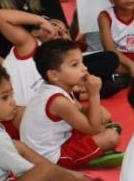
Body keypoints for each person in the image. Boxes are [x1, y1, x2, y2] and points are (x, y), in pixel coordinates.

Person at [21, 39, 121, 169]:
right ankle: (88, 158)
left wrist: (97, 112)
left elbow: (80, 112)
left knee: (102, 114)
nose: (84, 68)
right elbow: (93, 128)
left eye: (82, 62)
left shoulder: (59, 87)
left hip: (61, 139)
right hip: (50, 159)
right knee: (111, 137)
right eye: (75, 65)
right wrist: (94, 94)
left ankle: (93, 149)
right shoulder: (58, 101)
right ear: (54, 75)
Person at [0, 8, 70, 133]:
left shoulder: (61, 63)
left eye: (64, 31)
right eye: (54, 26)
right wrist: (41, 21)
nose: (59, 31)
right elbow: (1, 15)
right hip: (15, 118)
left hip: (45, 120)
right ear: (35, 33)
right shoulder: (30, 45)